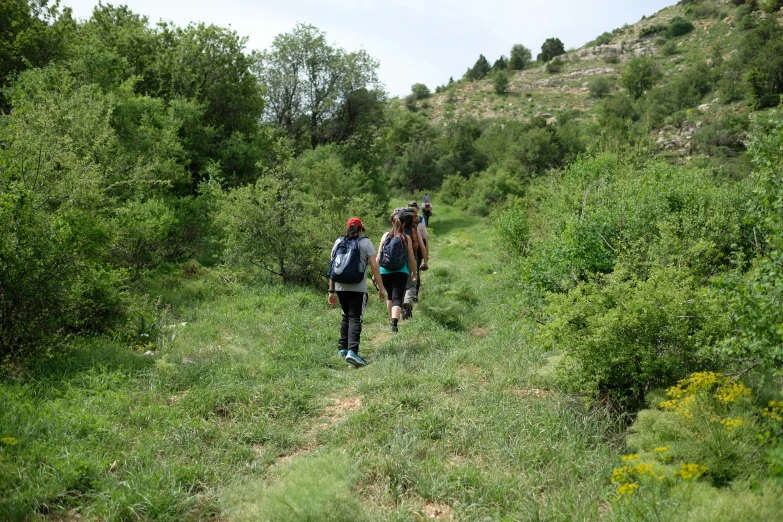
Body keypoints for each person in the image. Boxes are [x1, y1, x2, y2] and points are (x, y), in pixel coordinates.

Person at [328, 217, 386, 367]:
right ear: (361, 230)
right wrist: (381, 289)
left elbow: (332, 267)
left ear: (348, 228)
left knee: (346, 315)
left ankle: (342, 348)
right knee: (355, 317)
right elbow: (374, 267)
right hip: (358, 288)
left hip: (340, 287)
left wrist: (331, 290)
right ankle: (352, 351)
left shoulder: (338, 242)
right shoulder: (365, 243)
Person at [378, 215, 417, 333]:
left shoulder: (385, 235)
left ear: (391, 222)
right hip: (401, 271)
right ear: (404, 224)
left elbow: (379, 256)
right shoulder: (406, 237)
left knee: (390, 296)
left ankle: (391, 321)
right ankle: (394, 323)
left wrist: (375, 273)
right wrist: (414, 272)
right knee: (397, 297)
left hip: (384, 271)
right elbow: (411, 258)